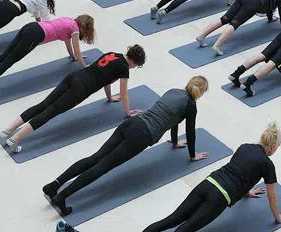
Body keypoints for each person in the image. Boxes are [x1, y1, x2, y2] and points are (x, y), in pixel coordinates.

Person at [43, 76, 212, 216]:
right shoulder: (191, 105)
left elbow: (174, 120)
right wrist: (192, 155)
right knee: (102, 166)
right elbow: (190, 131)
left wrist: (175, 142)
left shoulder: (174, 91)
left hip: (132, 123)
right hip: (142, 136)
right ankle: (62, 197)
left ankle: (54, 185)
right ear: (201, 92)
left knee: (95, 158)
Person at [123, 123, 281, 232]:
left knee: (169, 220)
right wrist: (278, 217)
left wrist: (247, 191)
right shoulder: (267, 164)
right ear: (272, 146)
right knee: (183, 231)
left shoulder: (245, 147)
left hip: (207, 183)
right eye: (278, 147)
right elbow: (272, 196)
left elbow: (241, 170)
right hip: (219, 198)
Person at [0, 45, 146, 154]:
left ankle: (7, 131)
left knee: (44, 105)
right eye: (137, 66)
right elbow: (124, 93)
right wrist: (127, 112)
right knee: (50, 112)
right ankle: (15, 139)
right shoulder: (124, 68)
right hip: (81, 89)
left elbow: (107, 78)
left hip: (74, 77)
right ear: (135, 62)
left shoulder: (113, 53)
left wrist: (109, 97)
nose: (134, 68)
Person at [0, 14, 95, 101]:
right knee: (8, 61)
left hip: (30, 27)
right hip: (35, 35)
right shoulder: (75, 30)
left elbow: (68, 44)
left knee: (3, 57)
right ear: (86, 27)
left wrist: (72, 57)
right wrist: (84, 66)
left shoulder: (69, 21)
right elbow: (78, 50)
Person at [195, 0, 281, 56]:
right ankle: (217, 46)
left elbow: (270, 3)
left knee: (224, 18)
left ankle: (201, 36)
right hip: (254, 2)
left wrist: (270, 18)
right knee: (234, 24)